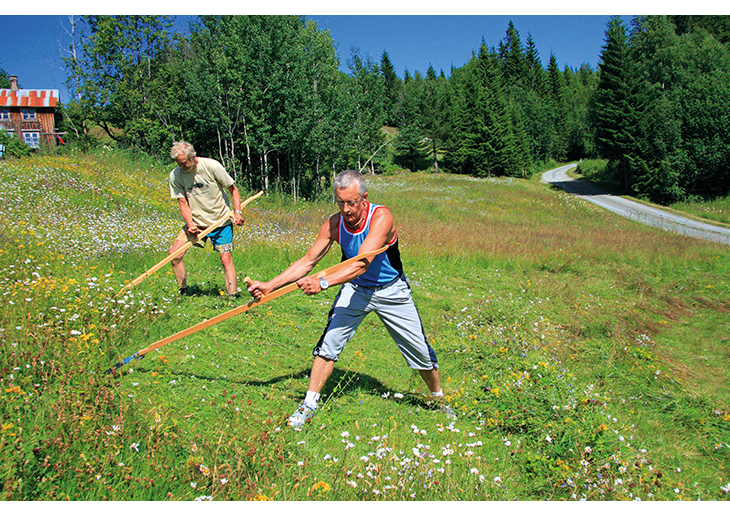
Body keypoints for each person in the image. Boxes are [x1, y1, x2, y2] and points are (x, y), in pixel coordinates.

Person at [247, 170, 446, 428]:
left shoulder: (381, 217)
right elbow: (308, 261)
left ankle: (439, 400)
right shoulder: (334, 224)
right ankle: (308, 405)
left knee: (419, 352)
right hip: (356, 289)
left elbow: (362, 262)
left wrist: (324, 282)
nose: (346, 209)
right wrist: (270, 286)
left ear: (364, 198)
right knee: (328, 344)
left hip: (391, 290)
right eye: (341, 202)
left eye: (351, 202)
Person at [168, 141, 245, 297]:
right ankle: (183, 291)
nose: (181, 167)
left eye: (184, 163)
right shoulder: (175, 175)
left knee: (225, 258)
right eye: (178, 164)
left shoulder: (211, 166)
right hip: (196, 223)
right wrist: (190, 224)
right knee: (174, 255)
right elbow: (183, 203)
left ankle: (232, 296)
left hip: (220, 221)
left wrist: (237, 212)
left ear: (193, 157)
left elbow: (233, 189)